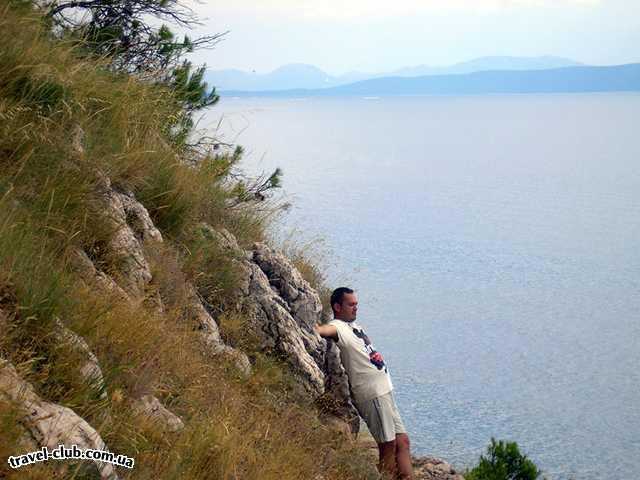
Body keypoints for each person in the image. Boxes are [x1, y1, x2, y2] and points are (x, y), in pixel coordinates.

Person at [315, 287, 413, 479]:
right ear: (337, 306)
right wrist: (316, 329)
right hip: (371, 394)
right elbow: (326, 330)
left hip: (385, 390)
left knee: (403, 442)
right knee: (388, 445)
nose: (355, 308)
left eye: (356, 304)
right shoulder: (338, 327)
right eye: (351, 304)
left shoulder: (355, 327)